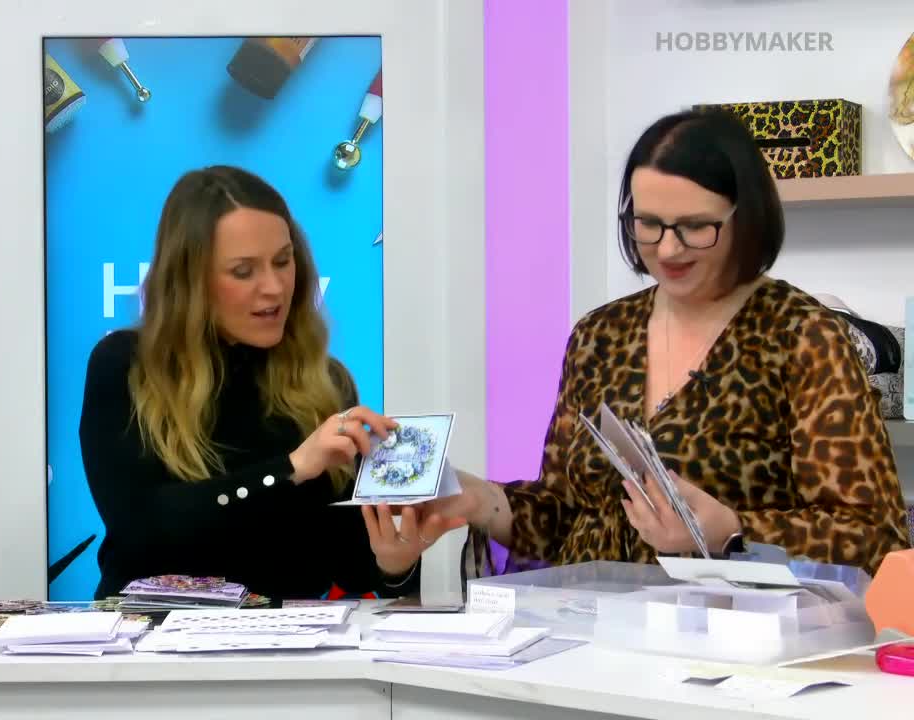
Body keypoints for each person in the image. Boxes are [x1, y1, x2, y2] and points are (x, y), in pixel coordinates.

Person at [421, 109, 910, 579]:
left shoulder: (804, 337)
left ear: (747, 218)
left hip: (734, 640)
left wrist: (731, 533)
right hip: (588, 632)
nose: (669, 249)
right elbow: (564, 516)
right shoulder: (600, 335)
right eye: (649, 223)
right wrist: (478, 498)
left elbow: (874, 538)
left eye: (696, 226)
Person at [78, 165, 462, 600]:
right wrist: (290, 469)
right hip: (154, 649)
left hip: (292, 651)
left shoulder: (324, 382)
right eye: (244, 271)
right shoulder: (124, 366)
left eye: (283, 261)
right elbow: (142, 527)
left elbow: (352, 567)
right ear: (190, 279)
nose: (275, 287)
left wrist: (395, 565)